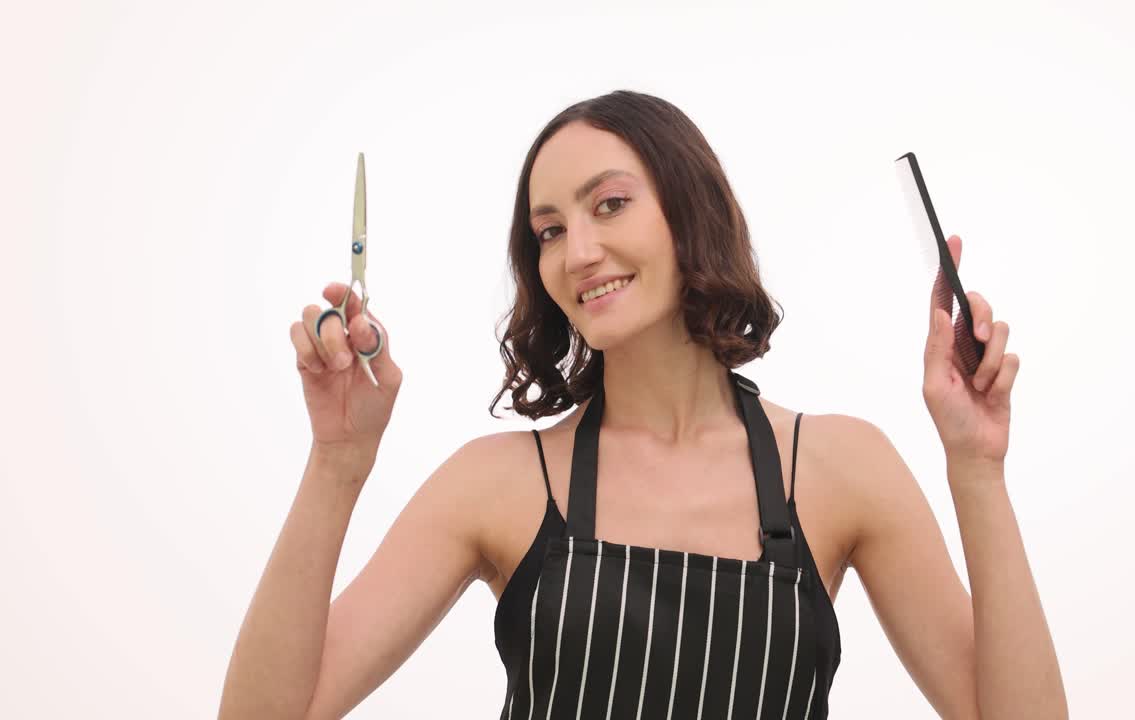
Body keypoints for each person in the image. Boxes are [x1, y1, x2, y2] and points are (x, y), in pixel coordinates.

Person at [218, 90, 1066, 720]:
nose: (578, 251)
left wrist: (977, 471)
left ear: (689, 214)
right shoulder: (501, 484)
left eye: (610, 204)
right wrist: (337, 463)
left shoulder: (841, 469)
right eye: (549, 230)